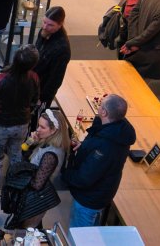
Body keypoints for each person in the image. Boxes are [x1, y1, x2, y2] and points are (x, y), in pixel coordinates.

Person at [0, 46, 38, 206]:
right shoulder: (34, 78)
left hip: (0, 124)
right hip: (22, 122)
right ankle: (16, 190)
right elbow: (34, 101)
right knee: (16, 154)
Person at [63, 95, 135, 227]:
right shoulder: (117, 131)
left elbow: (85, 177)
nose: (98, 106)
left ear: (104, 112)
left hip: (89, 199)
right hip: (101, 192)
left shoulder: (106, 146)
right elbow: (96, 145)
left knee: (80, 238)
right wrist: (84, 146)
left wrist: (66, 175)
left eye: (100, 105)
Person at [10, 109, 70, 228]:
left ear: (53, 130)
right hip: (33, 198)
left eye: (42, 127)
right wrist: (31, 142)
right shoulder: (46, 142)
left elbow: (37, 184)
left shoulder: (51, 155)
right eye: (38, 125)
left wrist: (20, 180)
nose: (37, 130)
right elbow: (24, 151)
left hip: (35, 201)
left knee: (27, 231)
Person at [34, 7, 71, 106]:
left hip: (41, 91)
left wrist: (42, 99)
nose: (45, 27)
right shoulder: (44, 31)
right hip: (31, 83)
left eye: (50, 25)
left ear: (60, 24)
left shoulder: (62, 49)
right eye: (44, 22)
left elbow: (55, 80)